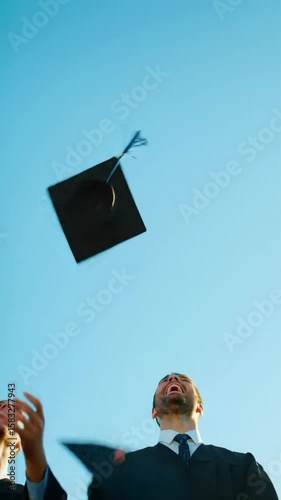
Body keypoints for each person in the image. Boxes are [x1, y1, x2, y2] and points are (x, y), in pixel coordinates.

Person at [88, 373, 278, 499]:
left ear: (199, 407)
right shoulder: (122, 472)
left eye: (183, 379)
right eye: (165, 380)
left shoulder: (242, 467)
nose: (172, 379)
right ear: (154, 412)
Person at [0, 392, 67, 499]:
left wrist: (35, 454)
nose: (7, 406)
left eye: (18, 415)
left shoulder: (21, 495)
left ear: (18, 444)